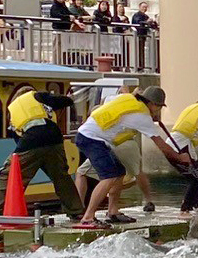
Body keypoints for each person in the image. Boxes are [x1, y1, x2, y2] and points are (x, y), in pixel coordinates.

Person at [72, 85, 189, 227]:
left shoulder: (126, 98)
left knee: (119, 172)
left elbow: (115, 101)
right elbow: (161, 145)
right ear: (152, 104)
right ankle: (88, 218)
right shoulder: (142, 116)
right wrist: (180, 157)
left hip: (90, 136)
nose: (158, 111)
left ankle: (113, 212)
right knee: (109, 176)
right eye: (158, 107)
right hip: (91, 139)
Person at [0, 88, 83, 220]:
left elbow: (18, 139)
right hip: (55, 138)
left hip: (30, 140)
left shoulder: (13, 111)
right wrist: (68, 98)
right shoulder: (37, 96)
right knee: (61, 177)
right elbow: (63, 101)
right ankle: (76, 211)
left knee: (7, 174)